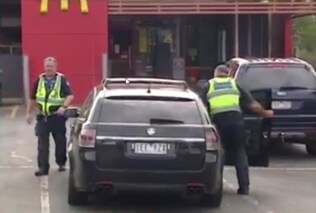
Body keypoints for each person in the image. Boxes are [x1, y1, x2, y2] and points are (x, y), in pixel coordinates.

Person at [201, 65, 273, 195]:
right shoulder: (234, 84)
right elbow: (252, 105)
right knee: (239, 153)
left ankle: (216, 187)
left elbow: (201, 107)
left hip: (218, 124)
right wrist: (265, 113)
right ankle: (244, 187)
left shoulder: (208, 86)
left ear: (215, 74)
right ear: (227, 74)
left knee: (218, 154)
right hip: (236, 123)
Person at [26, 57, 74, 176]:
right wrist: (28, 113)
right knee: (42, 145)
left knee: (60, 142)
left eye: (51, 66)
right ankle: (43, 168)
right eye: (47, 66)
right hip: (43, 117)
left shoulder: (61, 79)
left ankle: (61, 163)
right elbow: (32, 98)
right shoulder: (40, 80)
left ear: (55, 67)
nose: (48, 68)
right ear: (44, 66)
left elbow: (70, 96)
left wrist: (63, 107)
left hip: (57, 118)